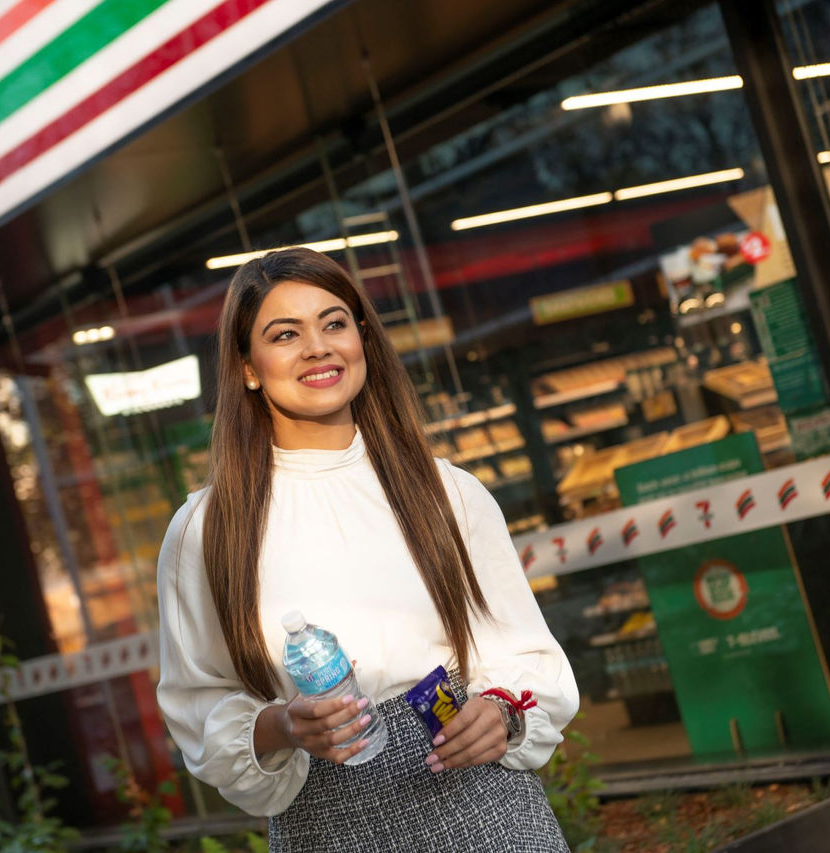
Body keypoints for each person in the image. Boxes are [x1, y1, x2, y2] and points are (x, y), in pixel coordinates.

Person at [156, 247, 579, 851]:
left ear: (363, 339)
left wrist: (503, 716)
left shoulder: (448, 493)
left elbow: (527, 659)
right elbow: (198, 706)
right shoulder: (206, 528)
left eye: (334, 323)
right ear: (247, 366)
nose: (318, 348)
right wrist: (287, 725)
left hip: (483, 802)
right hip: (324, 818)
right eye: (285, 334)